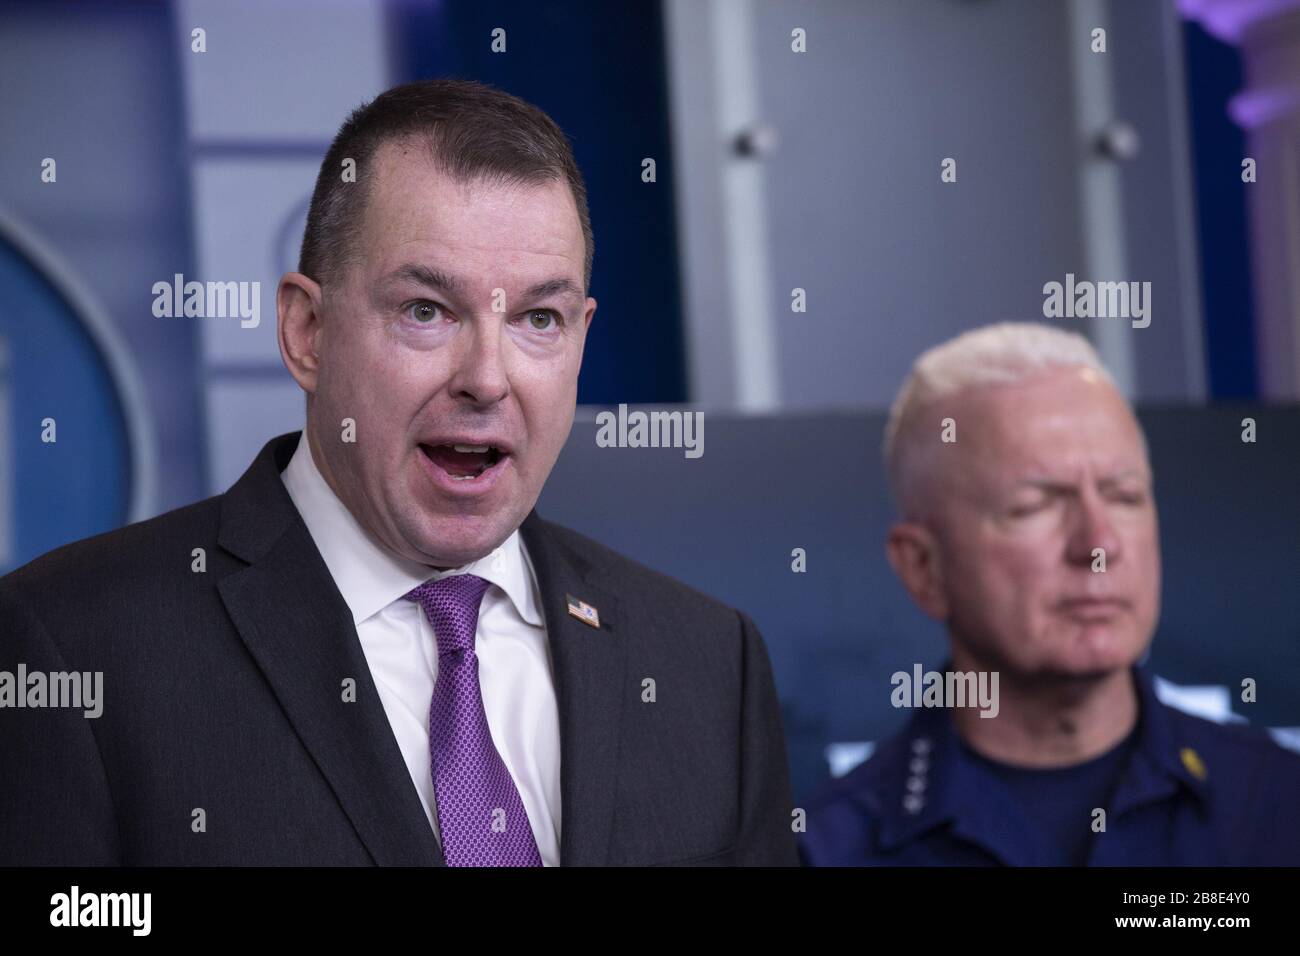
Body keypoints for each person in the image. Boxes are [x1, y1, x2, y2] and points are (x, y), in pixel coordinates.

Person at [0, 79, 797, 867]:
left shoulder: (706, 662)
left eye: (537, 319)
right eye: (427, 310)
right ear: (307, 333)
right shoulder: (71, 648)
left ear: (582, 340)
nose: (487, 377)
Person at [800, 322, 1300, 866]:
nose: (1099, 544)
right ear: (924, 568)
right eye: (1035, 506)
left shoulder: (1276, 807)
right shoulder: (830, 853)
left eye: (1124, 496)